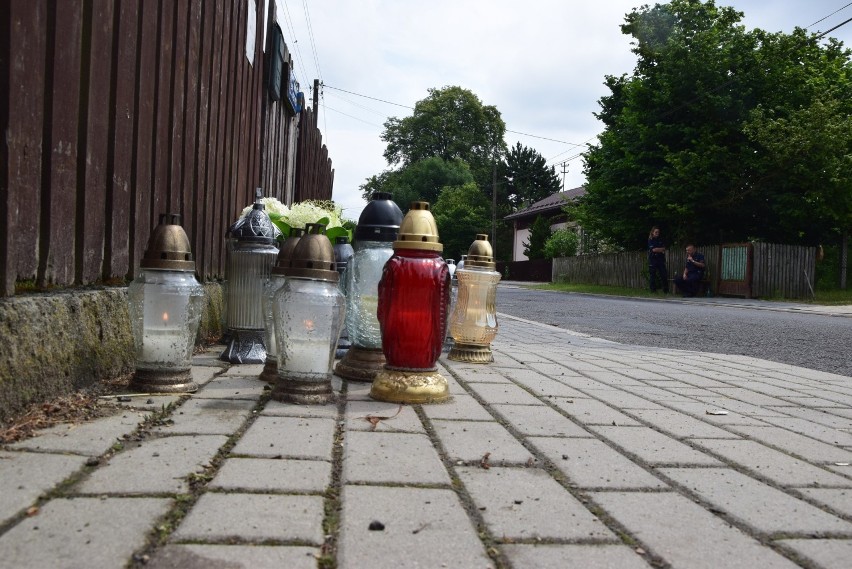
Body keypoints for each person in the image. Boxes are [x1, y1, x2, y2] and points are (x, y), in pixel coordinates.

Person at [647, 226, 668, 293]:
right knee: (652, 275)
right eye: (656, 232)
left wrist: (658, 249)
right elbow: (653, 249)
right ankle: (653, 290)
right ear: (652, 232)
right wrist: (660, 249)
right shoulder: (650, 240)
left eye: (658, 232)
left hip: (661, 259)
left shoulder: (661, 239)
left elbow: (664, 249)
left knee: (664, 275)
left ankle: (665, 290)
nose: (657, 233)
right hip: (653, 259)